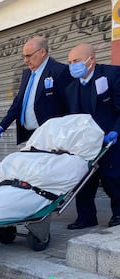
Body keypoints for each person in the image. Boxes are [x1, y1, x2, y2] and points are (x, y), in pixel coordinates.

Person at [64, 43, 120, 229]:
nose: (72, 65)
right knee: (83, 179)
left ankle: (118, 214)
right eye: (70, 62)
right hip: (86, 142)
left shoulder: (112, 75)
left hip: (110, 139)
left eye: (77, 61)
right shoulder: (71, 88)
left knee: (113, 177)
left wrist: (116, 130)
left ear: (91, 60)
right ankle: (86, 217)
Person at [0, 36, 72, 144]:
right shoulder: (27, 74)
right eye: (24, 56)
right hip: (29, 135)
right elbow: (19, 102)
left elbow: (70, 106)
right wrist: (3, 124)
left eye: (29, 56)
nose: (25, 60)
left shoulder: (60, 71)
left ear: (42, 52)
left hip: (51, 137)